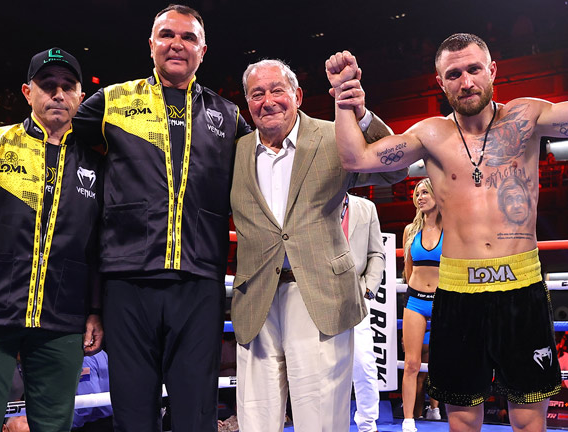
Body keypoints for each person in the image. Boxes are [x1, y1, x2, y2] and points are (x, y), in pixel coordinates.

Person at [0, 5, 250, 432]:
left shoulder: (230, 115)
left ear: (203, 49)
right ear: (151, 45)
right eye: (167, 35)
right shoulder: (113, 101)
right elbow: (50, 122)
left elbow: (270, 158)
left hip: (199, 280)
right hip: (126, 279)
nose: (176, 44)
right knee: (131, 404)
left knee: (195, 405)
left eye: (187, 37)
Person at [326, 33, 566, 431]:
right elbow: (357, 158)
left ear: (492, 71)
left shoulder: (526, 117)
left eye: (474, 69)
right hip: (457, 294)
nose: (466, 81)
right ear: (440, 81)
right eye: (453, 73)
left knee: (528, 420)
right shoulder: (431, 134)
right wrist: (344, 97)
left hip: (520, 287)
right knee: (463, 419)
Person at [230, 58, 407, 431]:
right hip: (256, 298)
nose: (267, 101)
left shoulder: (332, 135)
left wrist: (359, 115)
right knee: (254, 418)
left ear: (297, 94)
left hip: (320, 295)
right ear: (247, 104)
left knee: (321, 418)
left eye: (277, 90)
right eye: (256, 94)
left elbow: (395, 171)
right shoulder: (235, 151)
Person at [0, 47, 104, 432]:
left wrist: (95, 309)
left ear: (80, 95)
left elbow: (96, 247)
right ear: (28, 93)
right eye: (47, 85)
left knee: (54, 425)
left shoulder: (99, 163)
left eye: (67, 86)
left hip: (63, 320)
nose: (57, 94)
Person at [400, 178, 443, 432]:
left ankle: (438, 409)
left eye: (426, 192)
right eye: (417, 193)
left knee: (443, 360)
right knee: (411, 363)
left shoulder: (450, 226)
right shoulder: (410, 231)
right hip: (415, 300)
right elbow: (408, 270)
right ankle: (408, 420)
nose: (421, 196)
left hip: (441, 301)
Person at [344, 194, 386, 432]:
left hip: (357, 296)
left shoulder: (367, 207)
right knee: (319, 365)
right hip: (317, 295)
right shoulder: (314, 201)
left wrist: (369, 290)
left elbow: (376, 253)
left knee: (363, 362)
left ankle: (367, 425)